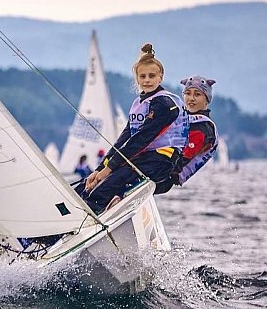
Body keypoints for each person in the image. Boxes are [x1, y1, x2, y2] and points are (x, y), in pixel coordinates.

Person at [76, 43, 188, 213]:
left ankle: (88, 224)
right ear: (137, 78)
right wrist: (99, 169)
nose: (147, 80)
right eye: (142, 76)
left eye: (152, 76)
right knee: (84, 187)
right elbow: (124, 138)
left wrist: (109, 169)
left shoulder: (164, 104)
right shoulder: (139, 103)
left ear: (161, 77)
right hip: (139, 161)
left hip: (159, 163)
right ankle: (51, 234)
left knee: (100, 193)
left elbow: (140, 139)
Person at [155, 76, 218, 194]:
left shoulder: (203, 128)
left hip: (162, 178)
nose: (191, 98)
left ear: (207, 99)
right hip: (156, 169)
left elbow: (181, 159)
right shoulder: (182, 118)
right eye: (187, 93)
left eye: (197, 94)